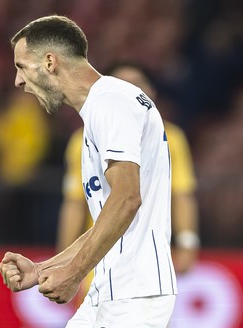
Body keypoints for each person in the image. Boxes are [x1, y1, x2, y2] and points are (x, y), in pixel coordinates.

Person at [0, 15, 176, 328]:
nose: (18, 80)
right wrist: (45, 268)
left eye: (22, 66)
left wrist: (75, 272)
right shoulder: (99, 109)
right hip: (108, 291)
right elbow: (109, 218)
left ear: (50, 62)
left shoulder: (111, 102)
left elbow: (128, 199)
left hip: (133, 294)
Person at [56, 62, 200, 307]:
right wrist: (64, 263)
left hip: (151, 262)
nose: (129, 92)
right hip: (100, 261)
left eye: (137, 85)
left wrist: (187, 243)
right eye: (121, 86)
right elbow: (74, 204)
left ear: (151, 93)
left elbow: (182, 195)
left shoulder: (170, 138)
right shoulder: (83, 141)